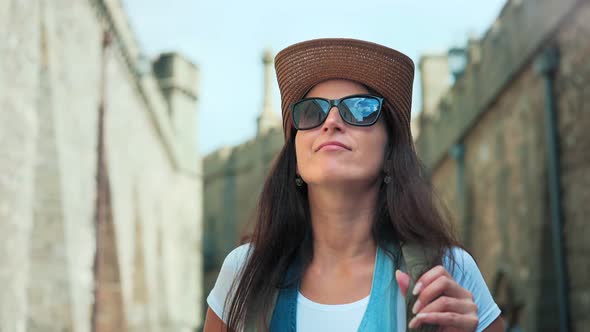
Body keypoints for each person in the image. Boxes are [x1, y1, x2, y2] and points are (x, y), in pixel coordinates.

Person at [203, 38, 504, 332]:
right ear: (295, 157)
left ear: (390, 152)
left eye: (360, 109)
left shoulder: (447, 272)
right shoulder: (244, 273)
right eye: (312, 111)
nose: (331, 120)